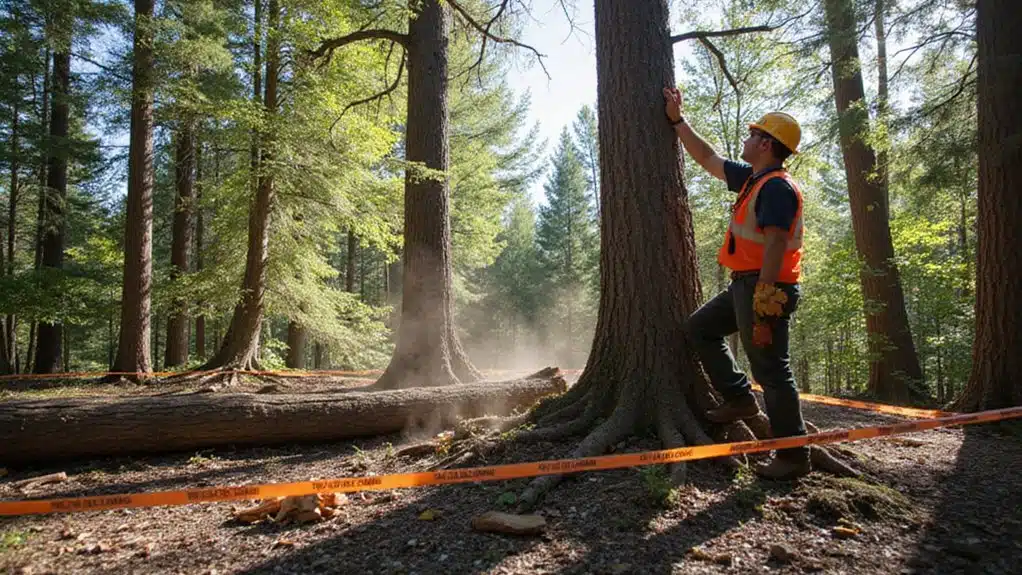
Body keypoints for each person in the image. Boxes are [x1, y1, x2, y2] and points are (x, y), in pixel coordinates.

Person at [663, 86, 810, 480]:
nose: (745, 140)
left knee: (773, 371)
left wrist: (764, 296)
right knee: (700, 328)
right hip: (744, 286)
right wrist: (678, 120)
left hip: (766, 289)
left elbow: (777, 241)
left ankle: (793, 455)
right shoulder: (753, 179)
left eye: (751, 135)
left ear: (765, 143)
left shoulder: (776, 187)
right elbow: (708, 158)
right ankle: (739, 398)